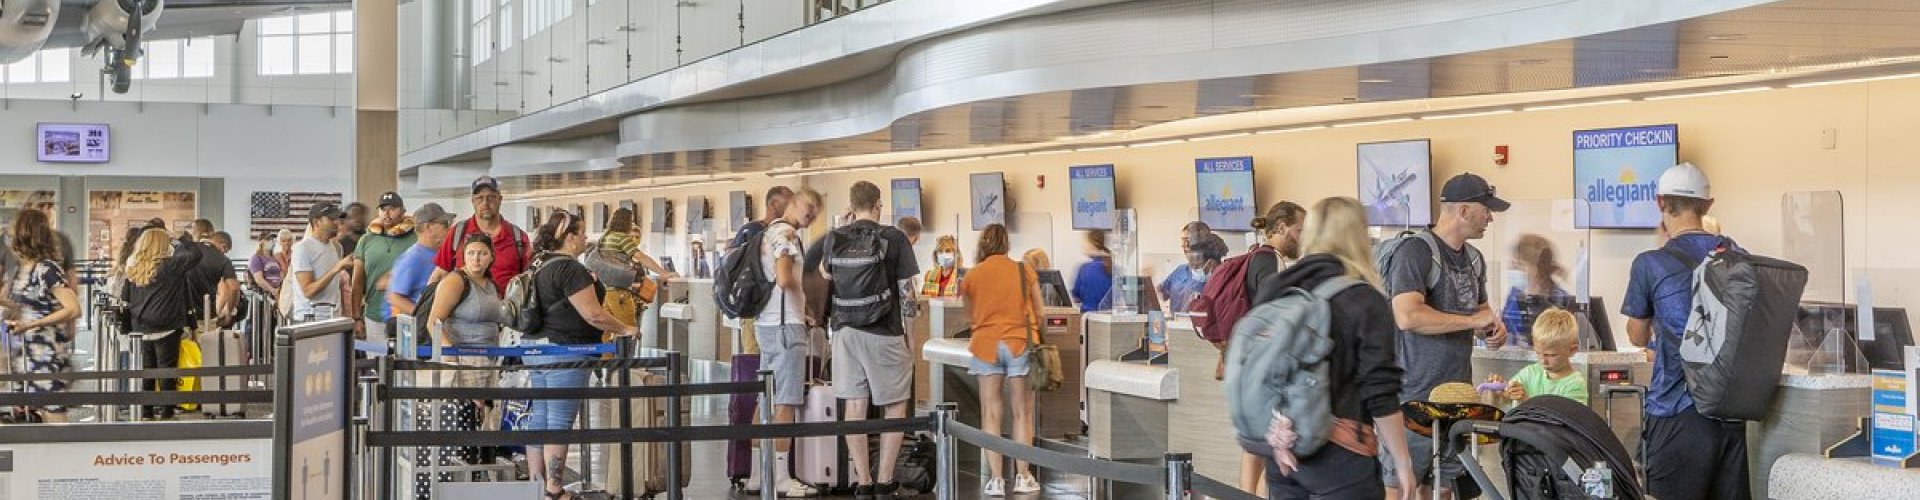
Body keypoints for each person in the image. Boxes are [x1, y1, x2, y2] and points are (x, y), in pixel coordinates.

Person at [1247, 197, 1417, 499]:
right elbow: (1379, 388)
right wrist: (1402, 461)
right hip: (1342, 456)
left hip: (1284, 452)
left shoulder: (1276, 289)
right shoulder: (1364, 299)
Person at [1623, 162, 1748, 500]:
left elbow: (1636, 336)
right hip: (1731, 412)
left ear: (1660, 202)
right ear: (1708, 205)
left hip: (1676, 410)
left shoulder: (1650, 264)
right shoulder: (1738, 257)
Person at [1381, 173, 1508, 500]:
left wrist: (1492, 330)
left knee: (1443, 489)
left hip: (1456, 397)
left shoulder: (1475, 260)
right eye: (1486, 209)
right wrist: (1472, 322)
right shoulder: (1415, 252)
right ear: (1463, 211)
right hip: (1412, 398)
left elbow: (1481, 313)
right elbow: (1407, 316)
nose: (1490, 217)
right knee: (1402, 487)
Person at [518, 211, 641, 500]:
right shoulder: (570, 269)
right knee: (559, 421)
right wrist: (625, 328)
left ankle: (537, 484)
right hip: (565, 351)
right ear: (569, 237)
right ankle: (554, 489)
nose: (586, 238)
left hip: (534, 349)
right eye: (582, 233)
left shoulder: (538, 263)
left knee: (541, 416)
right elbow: (593, 314)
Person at [820, 181, 921, 498]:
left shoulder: (835, 239)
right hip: (883, 330)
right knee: (894, 404)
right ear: (879, 204)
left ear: (851, 205)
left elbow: (825, 276)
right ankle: (885, 479)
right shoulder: (894, 237)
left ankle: (862, 480)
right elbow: (908, 292)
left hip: (845, 331)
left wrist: (841, 225)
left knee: (855, 405)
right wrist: (911, 337)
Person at [959, 223, 1045, 496]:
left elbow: (969, 316)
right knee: (1021, 412)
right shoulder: (1024, 270)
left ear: (983, 244)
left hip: (986, 344)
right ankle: (1023, 476)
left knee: (991, 412)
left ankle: (996, 480)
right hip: (1019, 342)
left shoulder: (972, 275)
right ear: (1007, 244)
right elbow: (1040, 312)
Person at [756, 187, 823, 498]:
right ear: (793, 202)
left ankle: (759, 473)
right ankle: (781, 475)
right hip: (786, 327)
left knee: (763, 398)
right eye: (807, 206)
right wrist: (807, 299)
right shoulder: (787, 236)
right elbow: (784, 278)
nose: (810, 214)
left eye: (815, 211)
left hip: (766, 324)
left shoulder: (767, 232)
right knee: (786, 401)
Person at [4, 210, 79, 424]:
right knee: (30, 421)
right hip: (24, 355)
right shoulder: (22, 269)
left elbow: (73, 308)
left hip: (44, 354)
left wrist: (31, 324)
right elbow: (25, 303)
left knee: (54, 418)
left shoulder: (46, 269)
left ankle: (63, 457)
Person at [122, 228, 202, 420]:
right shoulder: (170, 266)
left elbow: (126, 297)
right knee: (167, 369)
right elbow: (196, 254)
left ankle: (146, 410)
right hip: (166, 324)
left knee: (147, 369)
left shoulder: (133, 267)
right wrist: (180, 239)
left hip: (141, 325)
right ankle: (166, 411)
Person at [426, 231, 508, 387]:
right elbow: (433, 322)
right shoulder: (455, 281)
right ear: (464, 257)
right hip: (462, 360)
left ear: (491, 257)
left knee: (486, 410)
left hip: (491, 359)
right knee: (466, 409)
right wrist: (449, 354)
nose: (476, 258)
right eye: (471, 253)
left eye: (482, 253)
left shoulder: (491, 284)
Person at [434, 176, 532, 295]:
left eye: (491, 197)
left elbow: (529, 279)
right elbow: (440, 274)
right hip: (464, 310)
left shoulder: (518, 237)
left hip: (506, 310)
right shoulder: (458, 233)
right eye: (479, 198)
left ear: (500, 199)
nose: (485, 203)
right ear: (473, 201)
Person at [350, 192, 419, 342]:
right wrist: (356, 317)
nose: (386, 213)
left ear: (403, 211)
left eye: (392, 209)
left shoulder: (416, 238)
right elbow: (357, 283)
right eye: (383, 209)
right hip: (374, 316)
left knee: (404, 365)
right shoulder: (366, 239)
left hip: (406, 315)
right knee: (376, 362)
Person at [1492, 308, 1588, 405]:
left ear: (1572, 350)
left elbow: (1562, 419)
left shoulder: (1575, 385)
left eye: (1551, 355)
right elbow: (1506, 400)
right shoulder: (1530, 373)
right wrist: (1501, 392)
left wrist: (1526, 402)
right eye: (1538, 353)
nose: (1543, 361)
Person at [1500, 234, 1573, 348]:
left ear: (1538, 267)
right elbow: (1506, 332)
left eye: (1520, 265)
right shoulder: (1515, 296)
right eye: (1513, 264)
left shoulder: (1559, 299)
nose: (1514, 270)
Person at [289, 202, 357, 321]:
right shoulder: (302, 248)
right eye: (331, 219)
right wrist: (337, 268)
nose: (337, 223)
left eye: (337, 219)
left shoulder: (336, 247)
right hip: (311, 318)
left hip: (334, 316)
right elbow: (308, 291)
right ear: (316, 222)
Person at [388, 204, 457, 320]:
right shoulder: (412, 258)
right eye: (445, 224)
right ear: (429, 227)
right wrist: (424, 317)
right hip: (423, 333)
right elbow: (394, 297)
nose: (449, 228)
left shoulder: (440, 253)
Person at [1160, 222, 1229, 315]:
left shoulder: (1221, 274)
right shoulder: (1180, 271)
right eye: (1183, 240)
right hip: (1177, 326)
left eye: (1188, 240)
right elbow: (1161, 293)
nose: (1185, 245)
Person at [188, 230, 241, 327]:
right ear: (223, 245)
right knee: (205, 341)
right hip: (206, 315)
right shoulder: (223, 260)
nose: (224, 253)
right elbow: (234, 288)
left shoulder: (188, 248)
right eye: (225, 251)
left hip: (182, 315)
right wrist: (229, 311)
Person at [731, 186, 794, 251]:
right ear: (773, 204)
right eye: (789, 205)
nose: (793, 210)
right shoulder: (752, 230)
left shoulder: (785, 231)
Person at [1069, 230, 1112, 312]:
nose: (1083, 246)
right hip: (1108, 319)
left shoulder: (1085, 269)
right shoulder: (1114, 267)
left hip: (1089, 318)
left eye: (1084, 243)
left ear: (1092, 244)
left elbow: (1076, 295)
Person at [249, 231, 289, 299]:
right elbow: (259, 279)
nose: (271, 242)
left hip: (280, 290)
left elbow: (281, 274)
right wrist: (273, 290)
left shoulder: (275, 258)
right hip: (266, 294)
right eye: (268, 240)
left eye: (273, 240)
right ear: (261, 242)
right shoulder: (256, 258)